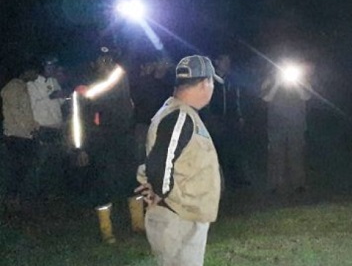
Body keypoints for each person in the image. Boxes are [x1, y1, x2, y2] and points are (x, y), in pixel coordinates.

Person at [135, 55, 222, 266]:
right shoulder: (180, 117)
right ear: (204, 83)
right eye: (211, 83)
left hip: (182, 218)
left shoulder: (178, 113)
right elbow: (159, 165)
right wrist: (165, 198)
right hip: (179, 220)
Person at [73, 50, 139, 243]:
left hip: (125, 139)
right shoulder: (85, 88)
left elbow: (131, 105)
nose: (106, 62)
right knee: (103, 185)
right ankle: (106, 230)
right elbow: (78, 121)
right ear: (94, 63)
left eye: (109, 58)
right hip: (101, 144)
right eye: (102, 59)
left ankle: (138, 224)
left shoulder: (122, 79)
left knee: (132, 181)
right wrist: (80, 148)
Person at [261, 59, 312, 194]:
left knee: (296, 153)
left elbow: (306, 96)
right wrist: (277, 83)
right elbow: (266, 98)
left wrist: (296, 83)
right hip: (276, 124)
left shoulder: (302, 80)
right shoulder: (269, 80)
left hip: (296, 124)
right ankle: (275, 184)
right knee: (275, 153)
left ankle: (299, 184)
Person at [27, 56, 69, 199]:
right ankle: (34, 193)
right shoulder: (32, 85)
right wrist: (50, 97)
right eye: (49, 67)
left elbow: (61, 100)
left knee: (55, 162)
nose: (52, 69)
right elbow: (32, 106)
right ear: (42, 68)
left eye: (53, 67)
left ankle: (53, 193)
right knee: (41, 162)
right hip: (43, 127)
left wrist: (63, 95)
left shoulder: (54, 81)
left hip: (56, 126)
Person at [205, 53, 249, 188]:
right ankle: (218, 181)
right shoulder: (209, 80)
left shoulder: (231, 81)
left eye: (229, 61)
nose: (227, 64)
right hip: (216, 119)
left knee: (234, 149)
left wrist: (240, 115)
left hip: (231, 119)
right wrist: (209, 118)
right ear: (217, 62)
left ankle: (236, 179)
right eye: (225, 61)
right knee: (218, 150)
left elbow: (237, 99)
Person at [1, 64, 40, 210]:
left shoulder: (21, 86)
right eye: (35, 71)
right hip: (16, 135)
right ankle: (12, 200)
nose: (36, 75)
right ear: (27, 71)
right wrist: (30, 128)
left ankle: (17, 200)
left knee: (22, 169)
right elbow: (16, 113)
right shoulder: (13, 87)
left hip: (24, 135)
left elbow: (25, 113)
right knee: (17, 169)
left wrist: (34, 126)